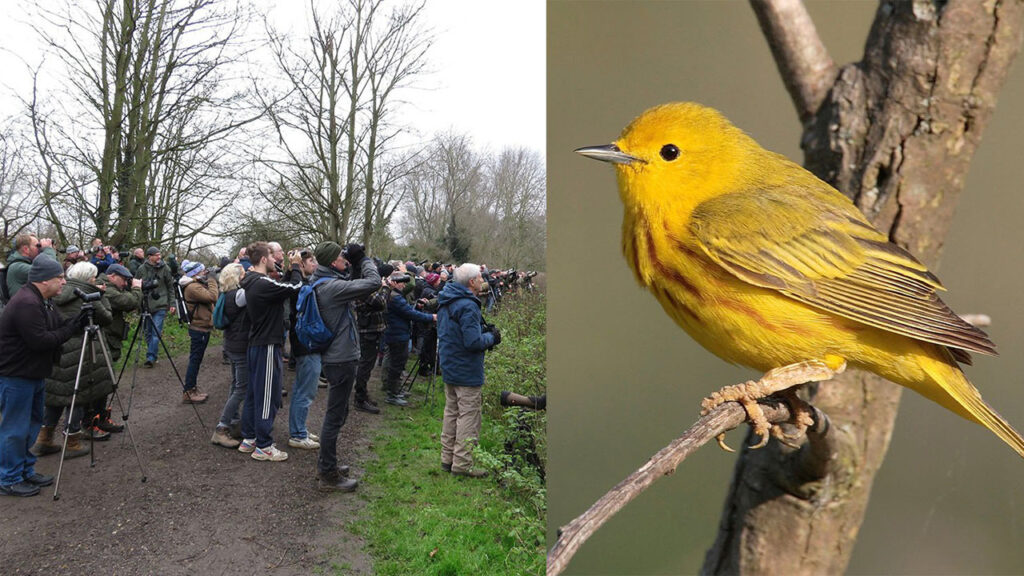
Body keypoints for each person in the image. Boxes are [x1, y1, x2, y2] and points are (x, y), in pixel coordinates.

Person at [0, 256, 82, 497]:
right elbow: (40, 341)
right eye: (60, 278)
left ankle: (25, 470)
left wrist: (75, 322)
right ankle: (9, 478)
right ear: (45, 280)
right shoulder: (26, 303)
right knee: (15, 428)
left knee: (32, 424)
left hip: (33, 373)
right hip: (17, 375)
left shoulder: (43, 301)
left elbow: (56, 327)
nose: (64, 282)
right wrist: (70, 329)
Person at [308, 241, 381, 491]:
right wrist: (364, 259)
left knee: (338, 413)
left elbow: (355, 282)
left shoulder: (324, 281)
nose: (345, 260)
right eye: (342, 257)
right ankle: (327, 474)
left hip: (336, 356)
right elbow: (373, 282)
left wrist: (355, 264)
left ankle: (328, 464)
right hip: (340, 358)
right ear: (332, 262)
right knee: (334, 415)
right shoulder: (332, 287)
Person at [36, 261, 114, 451]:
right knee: (78, 396)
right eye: (93, 277)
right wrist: (101, 295)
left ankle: (44, 439)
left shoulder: (57, 292)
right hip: (81, 349)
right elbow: (106, 318)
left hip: (58, 347)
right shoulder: (87, 295)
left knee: (56, 397)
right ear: (88, 278)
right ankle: (72, 442)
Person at [238, 242, 302, 462]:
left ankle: (249, 438)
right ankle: (264, 445)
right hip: (266, 344)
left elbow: (280, 287)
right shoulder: (262, 282)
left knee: (254, 393)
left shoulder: (253, 281)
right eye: (273, 257)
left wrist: (288, 270)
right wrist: (296, 266)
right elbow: (295, 287)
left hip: (257, 343)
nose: (276, 259)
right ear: (264, 259)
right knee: (267, 395)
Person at [436, 263, 499, 478]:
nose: (483, 280)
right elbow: (473, 342)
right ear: (471, 282)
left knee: (451, 412)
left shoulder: (446, 299)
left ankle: (447, 459)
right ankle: (462, 465)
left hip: (449, 364)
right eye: (480, 277)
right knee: (468, 416)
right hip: (466, 369)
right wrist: (492, 337)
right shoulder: (468, 305)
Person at [92, 263, 142, 433]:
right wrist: (137, 289)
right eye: (124, 280)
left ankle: (101, 417)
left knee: (106, 381)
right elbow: (130, 302)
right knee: (102, 381)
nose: (125, 284)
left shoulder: (110, 287)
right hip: (104, 340)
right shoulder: (105, 288)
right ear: (112, 276)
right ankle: (94, 420)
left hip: (110, 339)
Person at [382, 272, 436, 407]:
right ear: (394, 283)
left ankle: (395, 390)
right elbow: (409, 314)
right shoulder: (395, 298)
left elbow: (407, 310)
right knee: (396, 365)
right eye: (401, 282)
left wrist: (416, 306)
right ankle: (392, 394)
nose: (404, 285)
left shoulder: (395, 295)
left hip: (397, 333)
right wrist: (431, 317)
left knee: (397, 363)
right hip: (397, 335)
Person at [286, 250, 322, 449]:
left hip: (305, 342)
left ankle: (300, 429)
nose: (315, 264)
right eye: (310, 261)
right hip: (305, 343)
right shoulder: (297, 284)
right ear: (301, 265)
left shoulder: (301, 281)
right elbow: (296, 290)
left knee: (305, 389)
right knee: (305, 391)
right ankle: (298, 434)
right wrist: (294, 266)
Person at [211, 263, 247, 449]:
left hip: (231, 344)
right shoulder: (238, 296)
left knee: (235, 384)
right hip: (240, 346)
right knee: (242, 388)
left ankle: (234, 421)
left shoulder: (226, 294)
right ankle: (222, 427)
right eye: (243, 273)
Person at [352, 263, 392, 414]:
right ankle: (360, 398)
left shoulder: (364, 285)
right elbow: (381, 302)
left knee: (368, 364)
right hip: (368, 329)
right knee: (365, 364)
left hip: (372, 328)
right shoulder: (363, 287)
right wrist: (386, 288)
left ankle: (363, 394)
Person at [179, 260, 218, 404]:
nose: (204, 273)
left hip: (202, 327)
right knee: (195, 360)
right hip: (199, 328)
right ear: (195, 273)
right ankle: (188, 391)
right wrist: (212, 280)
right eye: (202, 271)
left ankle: (192, 388)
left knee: (196, 359)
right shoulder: (192, 287)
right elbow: (213, 297)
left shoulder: (195, 284)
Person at [134, 247, 176, 368]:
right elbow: (135, 285)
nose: (159, 257)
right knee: (148, 332)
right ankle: (153, 353)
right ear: (149, 256)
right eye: (156, 255)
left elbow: (170, 287)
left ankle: (150, 357)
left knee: (155, 331)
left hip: (160, 304)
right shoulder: (141, 269)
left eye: (160, 254)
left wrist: (172, 304)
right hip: (146, 305)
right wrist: (135, 303)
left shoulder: (165, 268)